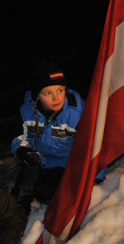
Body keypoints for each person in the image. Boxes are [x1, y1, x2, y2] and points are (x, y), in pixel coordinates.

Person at [11, 61, 89, 210]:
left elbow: (92, 145)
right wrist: (22, 150)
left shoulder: (78, 112)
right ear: (37, 96)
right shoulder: (27, 111)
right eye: (48, 93)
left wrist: (96, 178)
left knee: (57, 196)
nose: (56, 98)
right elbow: (20, 137)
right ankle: (18, 211)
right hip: (43, 162)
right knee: (30, 181)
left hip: (69, 165)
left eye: (60, 90)